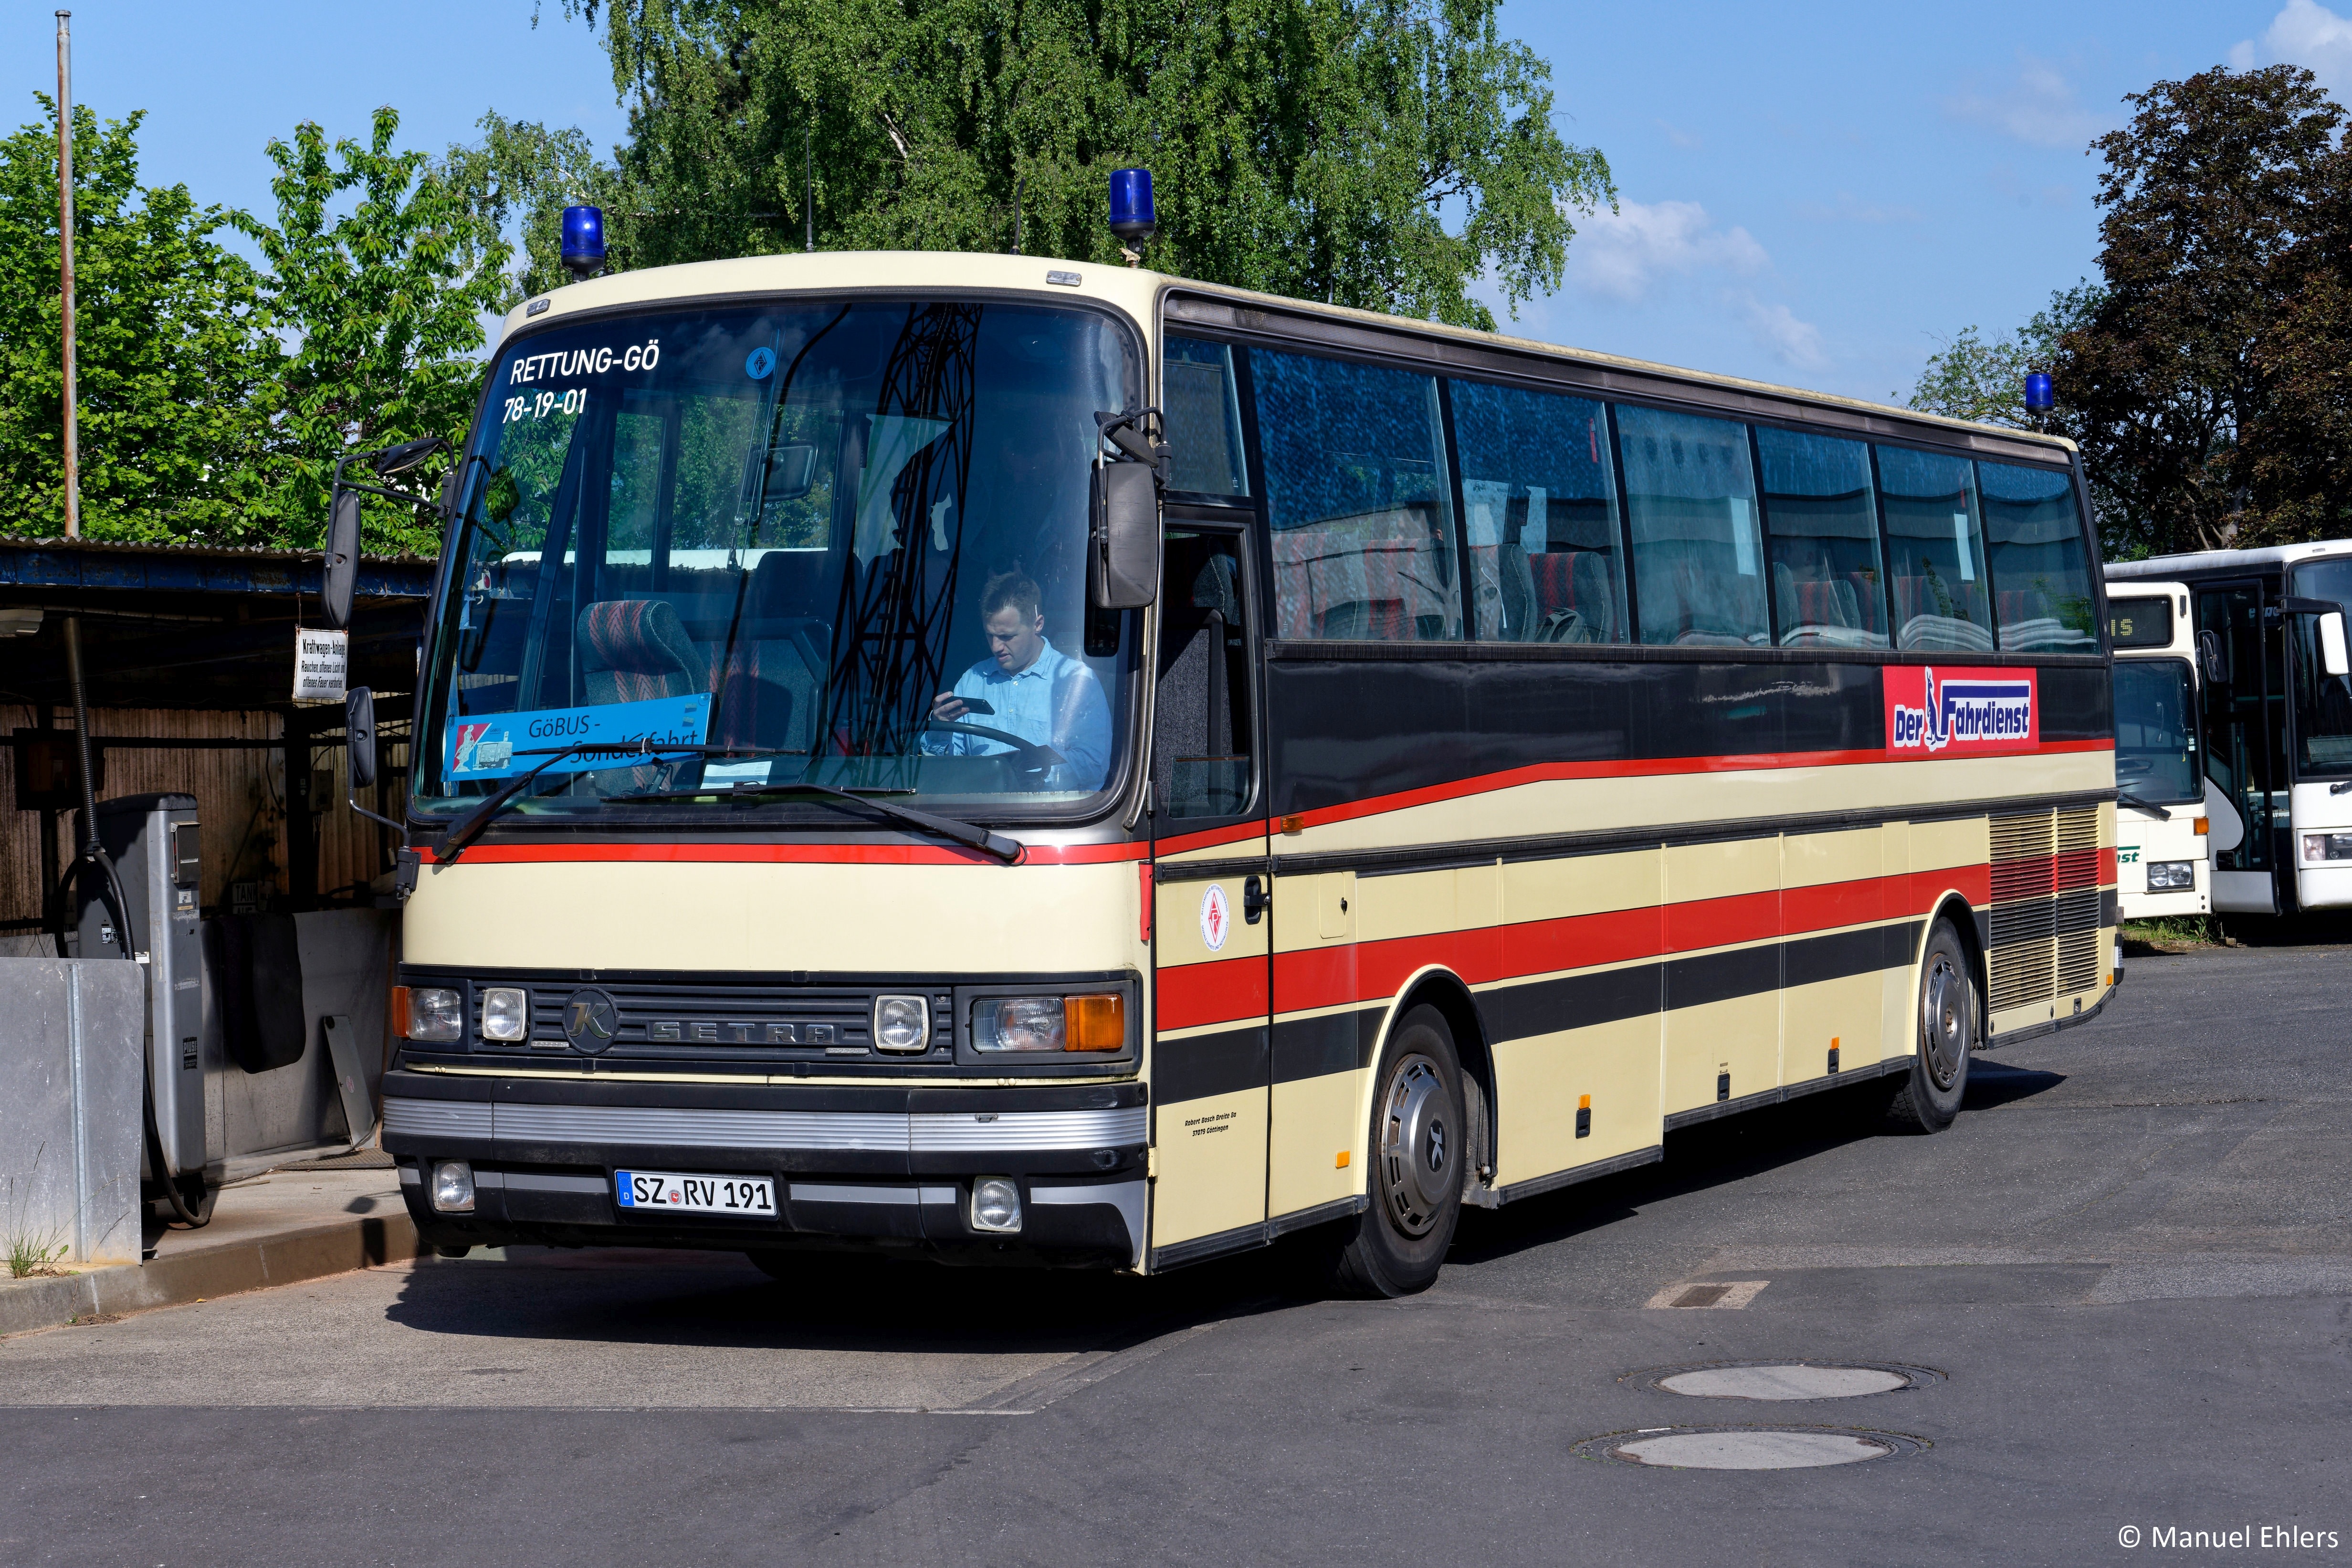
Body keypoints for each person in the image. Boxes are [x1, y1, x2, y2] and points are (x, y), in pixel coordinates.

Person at [926, 570, 1111, 791]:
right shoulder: (972, 680)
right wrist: (940, 730)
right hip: (979, 808)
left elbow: (1093, 763)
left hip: (1052, 808)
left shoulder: (1075, 681)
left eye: (1007, 637)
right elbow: (944, 771)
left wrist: (1023, 779)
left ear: (1037, 624)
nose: (996, 647)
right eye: (990, 635)